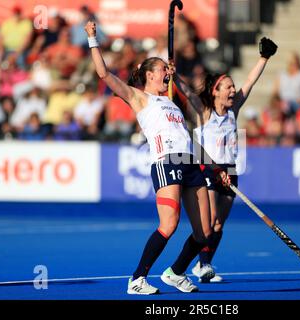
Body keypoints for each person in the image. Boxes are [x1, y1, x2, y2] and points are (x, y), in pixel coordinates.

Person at [85, 21, 225, 295]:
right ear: (149, 75)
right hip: (167, 161)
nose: (167, 74)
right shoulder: (139, 98)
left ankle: (175, 273)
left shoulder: (171, 102)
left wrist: (214, 165)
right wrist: (92, 38)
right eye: (162, 70)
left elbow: (190, 135)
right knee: (169, 224)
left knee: (204, 233)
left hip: (190, 163)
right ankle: (137, 279)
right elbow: (103, 74)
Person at [173, 37, 278, 282]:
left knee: (219, 225)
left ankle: (204, 265)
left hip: (230, 170)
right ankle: (184, 267)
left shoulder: (234, 109)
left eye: (233, 87)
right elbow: (187, 92)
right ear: (215, 91)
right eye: (228, 87)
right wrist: (174, 76)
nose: (233, 90)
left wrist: (264, 58)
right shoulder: (203, 111)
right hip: (207, 169)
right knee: (207, 223)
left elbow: (250, 81)